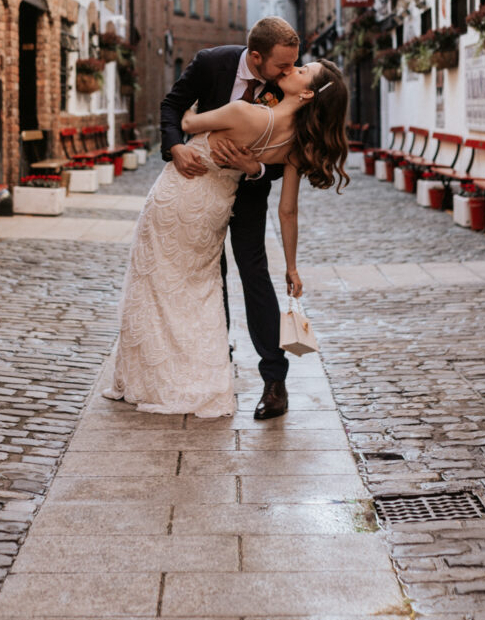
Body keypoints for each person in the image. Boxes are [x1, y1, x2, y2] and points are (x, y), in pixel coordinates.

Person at [102, 29, 349, 420]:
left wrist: (256, 168)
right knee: (205, 277)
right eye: (282, 65)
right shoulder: (212, 61)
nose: (287, 70)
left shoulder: (282, 101)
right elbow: (173, 107)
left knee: (254, 274)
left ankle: (274, 382)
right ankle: (214, 357)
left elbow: (283, 192)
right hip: (196, 180)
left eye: (295, 65)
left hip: (246, 192)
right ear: (255, 58)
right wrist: (176, 146)